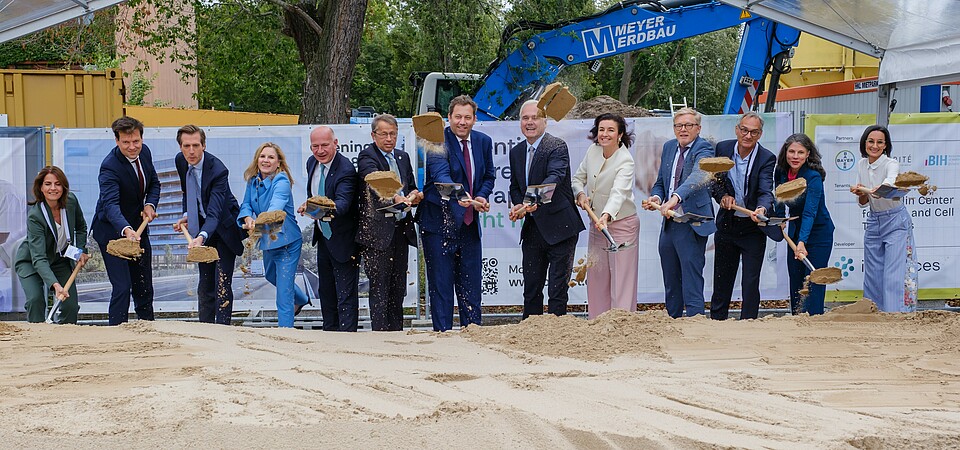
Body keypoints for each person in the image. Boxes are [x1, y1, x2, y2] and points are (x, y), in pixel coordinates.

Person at [419, 95, 496, 332]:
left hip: (469, 224)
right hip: (439, 223)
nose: (462, 122)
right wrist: (461, 196)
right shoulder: (437, 139)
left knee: (471, 285)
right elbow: (441, 175)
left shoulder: (484, 141)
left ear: (474, 119)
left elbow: (488, 176)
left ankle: (472, 334)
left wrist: (481, 196)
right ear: (449, 117)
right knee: (441, 286)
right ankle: (443, 336)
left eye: (467, 117)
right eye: (458, 117)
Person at [508, 100, 584, 318]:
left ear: (545, 121)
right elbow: (515, 186)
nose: (530, 122)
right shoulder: (516, 152)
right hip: (533, 230)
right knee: (531, 289)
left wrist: (530, 201)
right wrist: (518, 205)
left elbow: (555, 177)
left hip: (561, 229)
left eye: (535, 117)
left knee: (557, 291)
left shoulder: (557, 146)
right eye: (525, 118)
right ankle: (530, 334)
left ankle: (556, 336)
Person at [644, 107, 716, 318]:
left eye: (688, 125)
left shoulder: (705, 148)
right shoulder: (668, 147)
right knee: (670, 277)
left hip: (692, 222)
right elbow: (660, 182)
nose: (683, 129)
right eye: (678, 125)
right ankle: (673, 320)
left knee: (692, 279)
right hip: (669, 223)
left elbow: (698, 176)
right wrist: (657, 198)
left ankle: (695, 323)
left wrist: (675, 199)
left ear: (698, 128)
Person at [709, 112, 780, 320]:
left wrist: (762, 209)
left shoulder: (766, 158)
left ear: (760, 134)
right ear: (737, 129)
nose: (748, 136)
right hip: (727, 225)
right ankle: (717, 322)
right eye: (744, 130)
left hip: (752, 227)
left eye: (754, 132)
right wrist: (723, 197)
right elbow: (715, 181)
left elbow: (766, 190)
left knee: (750, 281)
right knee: (722, 279)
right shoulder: (722, 149)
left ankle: (749, 323)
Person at [172, 125, 245, 325]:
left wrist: (201, 237)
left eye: (196, 145)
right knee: (205, 285)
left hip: (223, 229)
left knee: (222, 284)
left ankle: (223, 331)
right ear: (180, 147)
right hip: (203, 228)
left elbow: (214, 213)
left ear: (204, 145)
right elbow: (189, 192)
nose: (191, 151)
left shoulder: (218, 170)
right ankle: (205, 330)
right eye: (186, 146)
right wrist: (187, 215)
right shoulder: (181, 161)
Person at [91, 116, 159, 325]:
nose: (132, 147)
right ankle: (116, 333)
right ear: (117, 141)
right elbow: (110, 205)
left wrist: (150, 205)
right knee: (122, 286)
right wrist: (127, 230)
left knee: (144, 284)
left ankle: (148, 328)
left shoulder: (145, 152)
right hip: (113, 232)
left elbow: (154, 183)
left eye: (136, 141)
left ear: (141, 138)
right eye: (126, 142)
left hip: (139, 229)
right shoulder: (109, 167)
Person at [356, 115, 420, 331]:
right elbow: (374, 179)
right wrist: (395, 197)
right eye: (384, 134)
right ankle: (380, 333)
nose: (389, 138)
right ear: (374, 135)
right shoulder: (367, 155)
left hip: (401, 229)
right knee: (380, 287)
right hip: (377, 233)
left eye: (393, 133)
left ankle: (396, 332)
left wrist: (414, 194)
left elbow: (410, 184)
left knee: (398, 286)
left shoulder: (402, 157)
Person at [571, 113, 637, 319]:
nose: (605, 134)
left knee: (621, 279)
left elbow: (619, 193)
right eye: (601, 129)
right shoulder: (592, 151)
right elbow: (577, 178)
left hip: (621, 225)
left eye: (610, 130)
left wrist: (606, 215)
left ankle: (621, 324)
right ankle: (597, 322)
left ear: (620, 135)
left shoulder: (626, 161)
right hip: (597, 224)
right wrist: (580, 194)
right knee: (597, 275)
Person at [239, 142, 309, 328]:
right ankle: (302, 298)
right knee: (271, 276)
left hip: (287, 241)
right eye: (263, 156)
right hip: (267, 239)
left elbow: (276, 206)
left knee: (284, 292)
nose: (266, 160)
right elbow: (246, 204)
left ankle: (285, 330)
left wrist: (259, 221)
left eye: (271, 157)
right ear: (257, 159)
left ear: (278, 162)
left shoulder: (282, 180)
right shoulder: (252, 181)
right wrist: (247, 218)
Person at [849, 125, 918, 312]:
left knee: (893, 274)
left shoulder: (891, 163)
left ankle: (895, 315)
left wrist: (876, 190)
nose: (875, 145)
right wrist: (861, 192)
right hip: (874, 220)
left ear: (886, 145)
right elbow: (863, 201)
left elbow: (888, 186)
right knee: (872, 273)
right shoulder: (861, 164)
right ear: (864, 143)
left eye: (880, 142)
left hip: (896, 221)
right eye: (871, 141)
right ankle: (874, 313)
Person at [299, 126, 360, 332]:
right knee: (326, 292)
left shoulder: (346, 170)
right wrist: (309, 206)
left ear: (335, 143)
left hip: (344, 240)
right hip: (323, 238)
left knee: (345, 295)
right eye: (315, 146)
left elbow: (343, 204)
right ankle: (330, 334)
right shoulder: (311, 164)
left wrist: (316, 208)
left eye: (325, 145)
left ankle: (347, 338)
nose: (320, 150)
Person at [14, 166, 89, 323]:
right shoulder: (35, 216)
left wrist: (81, 251)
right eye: (48, 184)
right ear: (41, 187)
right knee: (36, 300)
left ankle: (64, 342)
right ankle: (38, 340)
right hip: (32, 262)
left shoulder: (71, 202)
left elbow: (81, 228)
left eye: (58, 184)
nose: (53, 188)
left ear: (64, 186)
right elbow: (39, 258)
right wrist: (55, 285)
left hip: (60, 259)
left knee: (70, 306)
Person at [774, 133, 835, 315]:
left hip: (818, 234)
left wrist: (802, 242)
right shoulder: (781, 172)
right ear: (785, 152)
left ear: (808, 154)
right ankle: (798, 320)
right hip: (794, 231)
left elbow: (810, 212)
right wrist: (780, 220)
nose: (795, 156)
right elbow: (778, 197)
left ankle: (814, 322)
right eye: (791, 151)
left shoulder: (813, 177)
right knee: (796, 280)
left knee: (814, 281)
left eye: (800, 152)